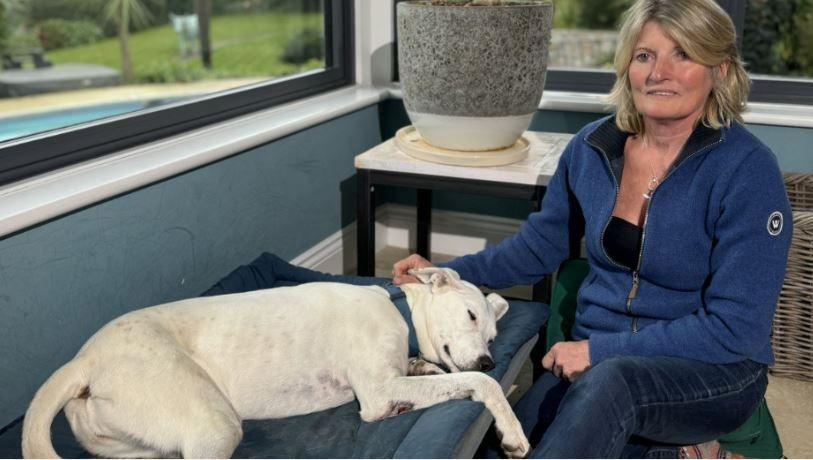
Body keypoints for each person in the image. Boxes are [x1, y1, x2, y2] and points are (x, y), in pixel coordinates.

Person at [392, 0, 793, 457]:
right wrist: (447, 272)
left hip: (712, 370)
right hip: (599, 356)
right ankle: (679, 452)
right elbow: (539, 246)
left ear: (719, 70)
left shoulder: (747, 170)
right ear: (627, 67)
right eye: (645, 56)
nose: (659, 71)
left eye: (683, 54)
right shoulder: (592, 148)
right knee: (501, 445)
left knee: (612, 384)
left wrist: (598, 351)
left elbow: (735, 329)